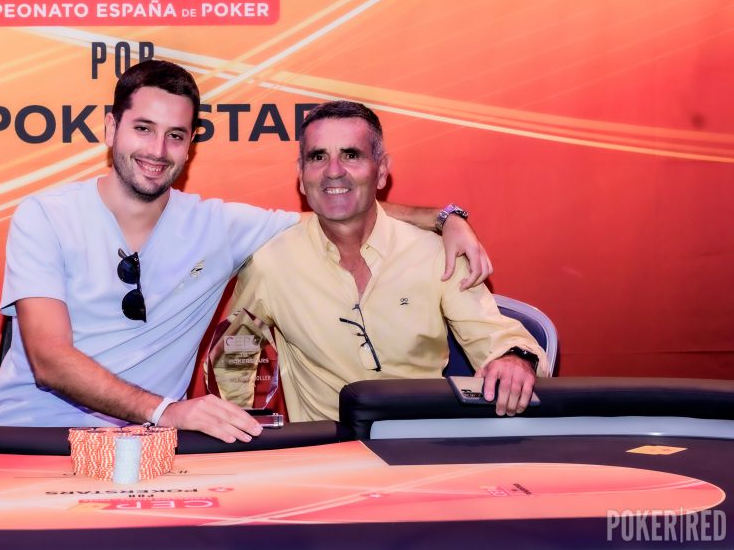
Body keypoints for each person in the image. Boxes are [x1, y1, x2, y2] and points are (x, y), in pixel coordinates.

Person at [0, 61, 491, 442]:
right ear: (112, 129)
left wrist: (446, 218)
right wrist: (166, 411)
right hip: (32, 438)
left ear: (191, 145)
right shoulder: (44, 215)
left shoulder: (219, 226)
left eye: (175, 135)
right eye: (143, 129)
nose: (157, 151)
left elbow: (341, 205)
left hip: (150, 451)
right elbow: (49, 359)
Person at [216, 100, 547, 423]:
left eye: (351, 155)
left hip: (421, 444)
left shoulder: (437, 254)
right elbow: (232, 360)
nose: (334, 171)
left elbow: (497, 338)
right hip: (325, 450)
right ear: (301, 175)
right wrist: (240, 427)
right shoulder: (270, 263)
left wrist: (514, 360)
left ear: (382, 171)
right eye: (318, 157)